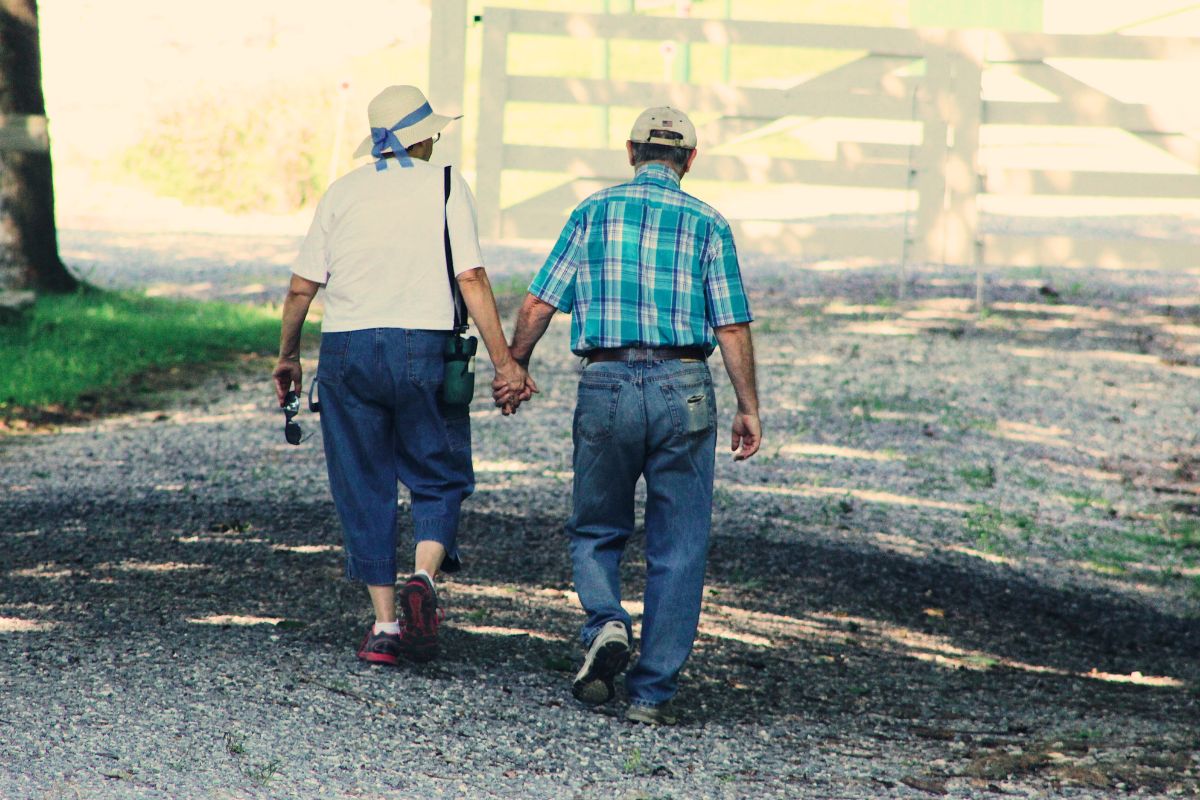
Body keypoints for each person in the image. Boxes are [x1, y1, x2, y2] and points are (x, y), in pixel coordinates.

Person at [494, 107, 761, 724]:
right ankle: (651, 694)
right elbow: (731, 324)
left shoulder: (592, 212)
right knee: (680, 543)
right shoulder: (709, 223)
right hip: (684, 385)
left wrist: (515, 367)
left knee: (596, 526)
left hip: (607, 381)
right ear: (690, 160)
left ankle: (606, 621)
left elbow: (538, 303)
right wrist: (748, 406)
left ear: (631, 151)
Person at [273, 85, 530, 666]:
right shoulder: (446, 185)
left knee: (363, 482)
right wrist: (505, 363)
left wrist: (288, 356)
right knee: (438, 472)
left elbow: (301, 288)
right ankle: (424, 577)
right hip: (424, 345)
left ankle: (386, 626)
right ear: (422, 137)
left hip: (347, 350)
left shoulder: (341, 192)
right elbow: (471, 278)